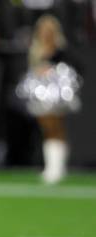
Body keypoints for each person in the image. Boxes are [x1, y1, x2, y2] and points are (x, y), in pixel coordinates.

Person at [25, 14, 81, 184]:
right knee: (47, 129)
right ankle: (51, 167)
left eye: (49, 30)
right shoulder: (35, 50)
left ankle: (58, 168)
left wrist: (54, 71)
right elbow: (31, 72)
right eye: (43, 30)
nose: (46, 34)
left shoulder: (61, 50)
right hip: (41, 97)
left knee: (57, 128)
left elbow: (75, 70)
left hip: (57, 97)